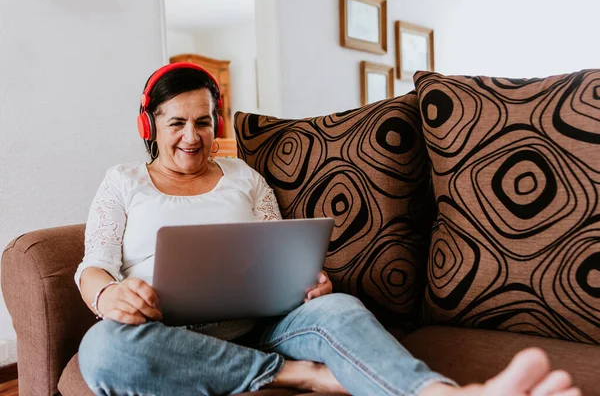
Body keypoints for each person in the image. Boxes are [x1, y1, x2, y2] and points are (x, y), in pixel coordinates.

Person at [76, 62, 581, 396]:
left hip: (263, 326)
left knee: (339, 307)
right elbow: (93, 265)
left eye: (204, 122)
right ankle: (301, 375)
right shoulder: (122, 183)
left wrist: (306, 282)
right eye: (177, 123)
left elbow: (275, 249)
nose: (193, 136)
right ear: (150, 126)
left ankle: (442, 394)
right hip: (168, 336)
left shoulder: (245, 178)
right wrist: (108, 298)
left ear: (216, 122)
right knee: (102, 349)